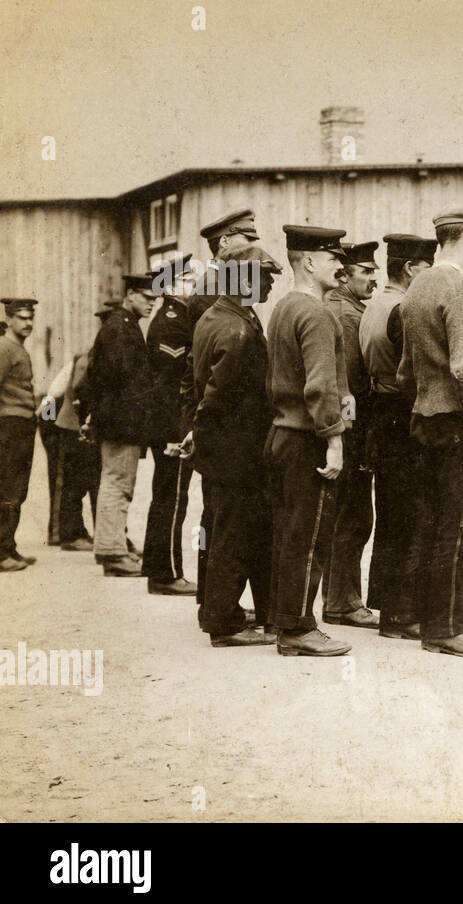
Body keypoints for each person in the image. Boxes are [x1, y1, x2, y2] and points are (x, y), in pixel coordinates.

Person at [397, 206, 463, 660]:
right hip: (456, 423)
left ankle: (427, 622)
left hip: (423, 421)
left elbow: (404, 371)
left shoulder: (417, 285)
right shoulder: (460, 287)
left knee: (432, 524)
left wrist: (426, 397)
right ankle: (447, 628)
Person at [264, 225, 353, 657]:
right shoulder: (316, 313)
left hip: (283, 434)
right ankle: (298, 629)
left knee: (289, 534)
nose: (341, 264)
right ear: (309, 261)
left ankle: (287, 622)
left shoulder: (283, 307)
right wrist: (334, 439)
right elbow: (320, 386)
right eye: (332, 257)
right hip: (309, 440)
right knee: (311, 536)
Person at [191, 243, 280, 647]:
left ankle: (226, 613)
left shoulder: (221, 316)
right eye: (264, 275)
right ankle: (223, 623)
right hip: (238, 451)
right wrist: (210, 438)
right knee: (233, 535)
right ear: (243, 278)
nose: (270, 281)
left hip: (227, 450)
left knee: (229, 529)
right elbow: (217, 397)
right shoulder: (237, 328)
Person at [183, 208, 261, 616]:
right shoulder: (213, 291)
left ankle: (212, 601)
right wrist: (196, 428)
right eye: (247, 240)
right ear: (227, 242)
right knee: (221, 519)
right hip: (220, 427)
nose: (255, 247)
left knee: (219, 518)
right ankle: (215, 605)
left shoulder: (220, 289)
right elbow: (203, 371)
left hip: (213, 423)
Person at [358, 233, 435, 639]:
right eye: (427, 268)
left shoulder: (375, 304)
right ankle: (402, 614)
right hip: (404, 417)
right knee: (412, 516)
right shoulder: (404, 309)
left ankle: (390, 608)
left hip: (380, 414)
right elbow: (415, 374)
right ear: (410, 269)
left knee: (391, 514)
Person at [319, 241, 380, 628]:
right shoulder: (343, 314)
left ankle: (340, 598)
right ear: (344, 275)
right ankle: (342, 602)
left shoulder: (353, 309)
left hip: (351, 428)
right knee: (352, 517)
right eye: (366, 271)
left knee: (349, 516)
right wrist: (350, 433)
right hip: (352, 431)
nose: (374, 278)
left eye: (375, 270)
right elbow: (346, 383)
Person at [85, 275, 158, 577]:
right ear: (130, 295)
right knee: (117, 484)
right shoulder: (121, 328)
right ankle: (113, 553)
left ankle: (113, 548)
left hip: (117, 422)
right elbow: (120, 378)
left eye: (155, 298)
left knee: (116, 483)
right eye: (146, 297)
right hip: (121, 423)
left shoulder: (122, 325)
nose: (152, 303)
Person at [141, 257, 198, 595]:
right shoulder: (173, 323)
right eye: (189, 280)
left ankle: (157, 568)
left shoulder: (170, 319)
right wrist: (181, 430)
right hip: (172, 426)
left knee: (166, 495)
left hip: (167, 425)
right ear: (173, 286)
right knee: (173, 498)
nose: (195, 285)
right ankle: (167, 574)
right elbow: (174, 384)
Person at [36, 335, 100, 551]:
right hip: (56, 415)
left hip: (71, 419)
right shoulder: (84, 357)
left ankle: (71, 532)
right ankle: (61, 533)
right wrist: (44, 419)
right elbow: (55, 392)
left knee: (84, 478)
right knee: (65, 478)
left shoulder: (95, 354)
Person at [0, 298, 39, 572]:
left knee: (17, 489)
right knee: (8, 488)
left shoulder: (17, 348)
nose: (28, 323)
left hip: (22, 424)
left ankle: (8, 547)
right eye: (22, 317)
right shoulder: (4, 348)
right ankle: (2, 553)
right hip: (9, 425)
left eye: (30, 318)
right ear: (9, 319)